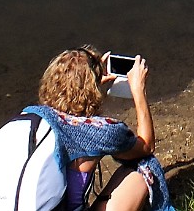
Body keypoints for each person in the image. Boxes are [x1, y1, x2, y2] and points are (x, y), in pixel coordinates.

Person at [22, 46, 175, 211]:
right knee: (145, 165)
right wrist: (139, 91)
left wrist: (91, 85)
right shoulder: (94, 131)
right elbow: (146, 146)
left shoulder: (29, 118)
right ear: (90, 90)